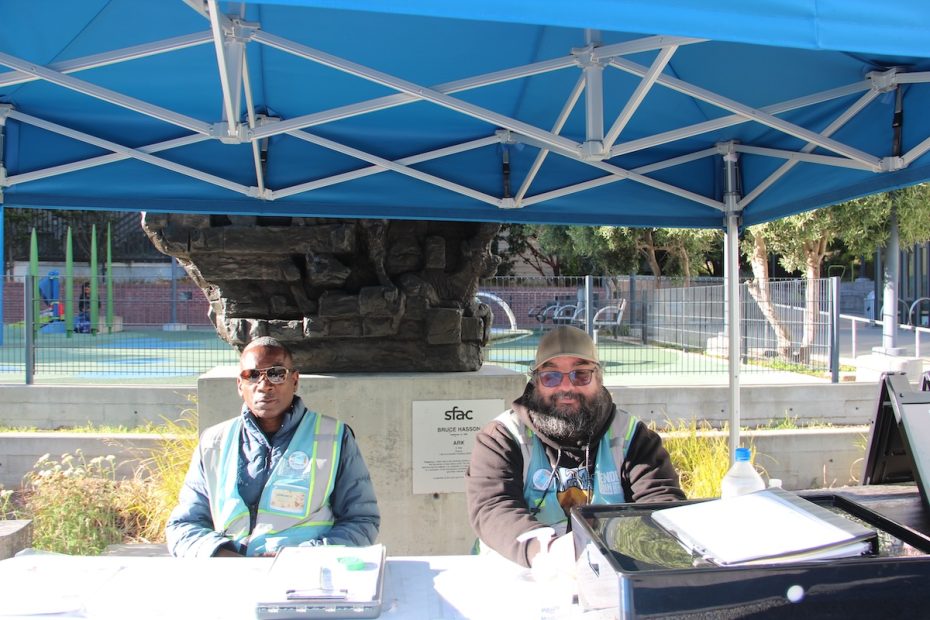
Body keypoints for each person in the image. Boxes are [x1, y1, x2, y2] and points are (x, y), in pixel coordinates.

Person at [465, 325, 684, 569]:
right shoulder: (502, 437)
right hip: (515, 575)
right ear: (536, 382)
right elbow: (492, 507)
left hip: (611, 575)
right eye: (551, 376)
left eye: (580, 374)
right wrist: (545, 550)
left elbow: (661, 505)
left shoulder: (631, 437)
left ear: (599, 378)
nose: (566, 387)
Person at [166, 336, 380, 557]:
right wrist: (224, 556)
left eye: (276, 374)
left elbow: (361, 521)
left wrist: (301, 557)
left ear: (295, 381)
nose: (264, 385)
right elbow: (184, 526)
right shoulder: (214, 442)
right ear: (240, 385)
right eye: (252, 375)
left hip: (304, 578)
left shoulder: (334, 437)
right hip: (231, 577)